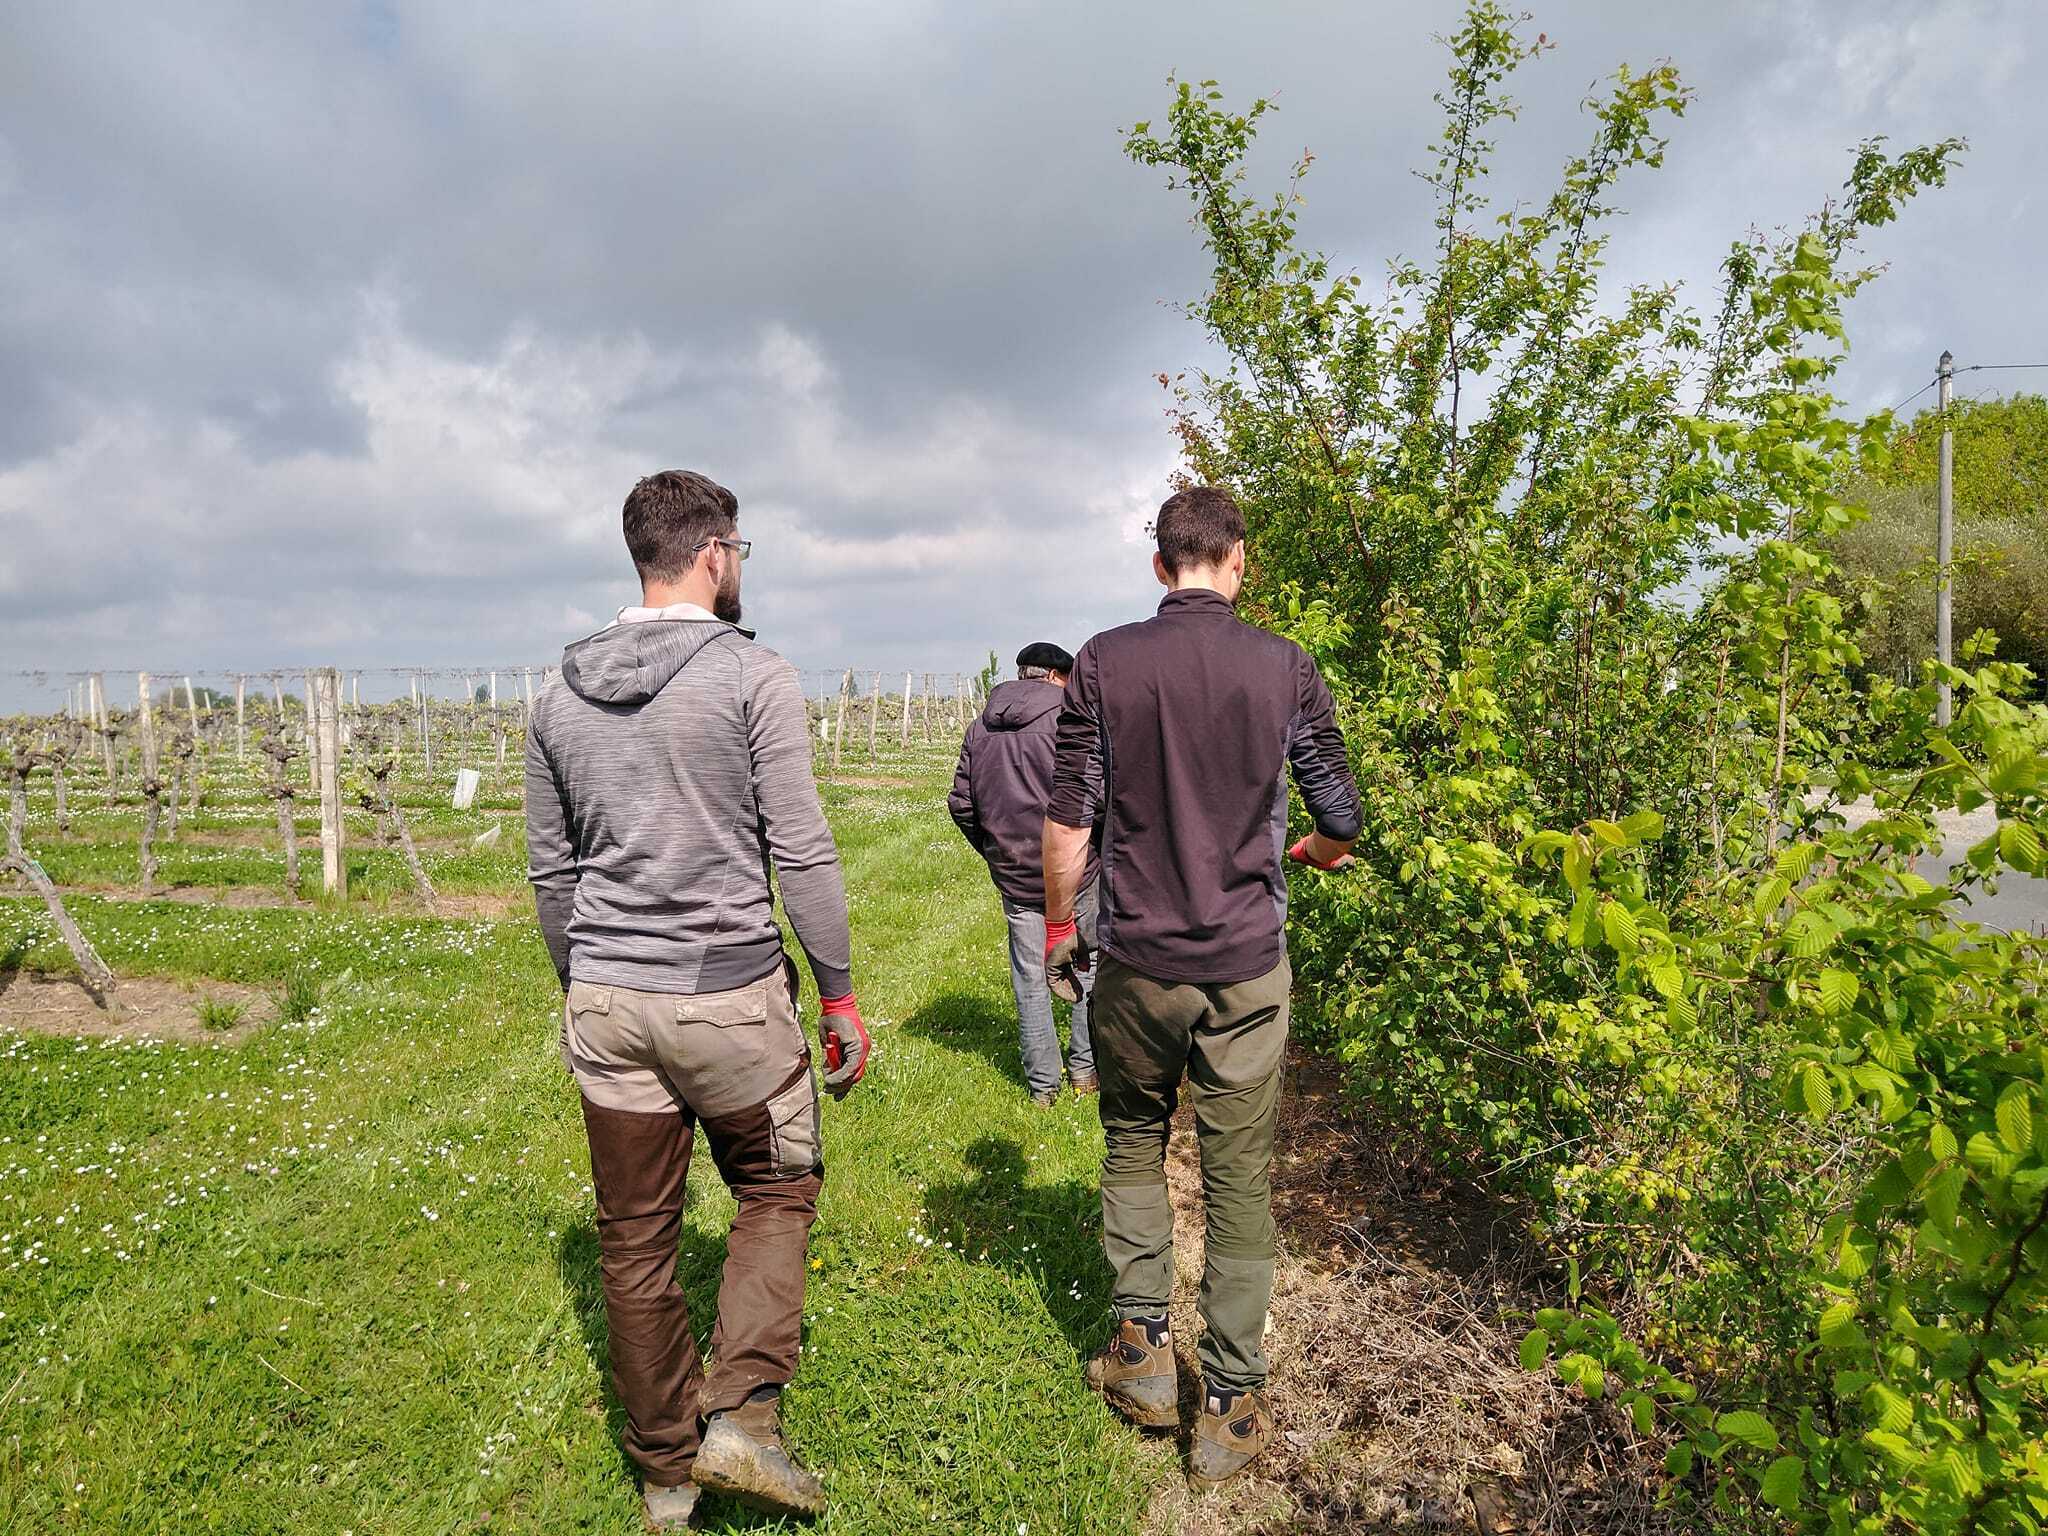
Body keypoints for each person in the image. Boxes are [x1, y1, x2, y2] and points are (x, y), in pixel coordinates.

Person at [525, 469, 871, 1528]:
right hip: (727, 998)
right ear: (714, 554)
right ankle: (746, 1418)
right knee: (775, 1188)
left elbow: (552, 874)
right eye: (739, 553)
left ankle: (666, 1474)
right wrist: (838, 994)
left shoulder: (556, 696)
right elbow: (800, 851)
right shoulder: (752, 676)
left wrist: (585, 984)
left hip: (606, 999)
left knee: (634, 1240)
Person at [1041, 485, 1360, 1490]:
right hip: (1245, 966)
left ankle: (1141, 1354)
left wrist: (1060, 929)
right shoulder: (1284, 666)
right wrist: (1314, 853)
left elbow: (1067, 824)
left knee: (1134, 1136)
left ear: (1159, 565)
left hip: (1138, 962)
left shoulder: (1104, 662)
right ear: (1238, 562)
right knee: (1237, 1176)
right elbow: (1340, 814)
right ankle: (1228, 1407)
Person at [948, 642, 1100, 1106]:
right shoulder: (1071, 720)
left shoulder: (980, 727)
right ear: (1056, 676)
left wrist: (996, 851)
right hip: (1076, 870)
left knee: (1030, 977)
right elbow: (1097, 793)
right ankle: (1085, 1070)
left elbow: (962, 805)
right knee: (1087, 962)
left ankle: (1042, 1087)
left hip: (1015, 875)